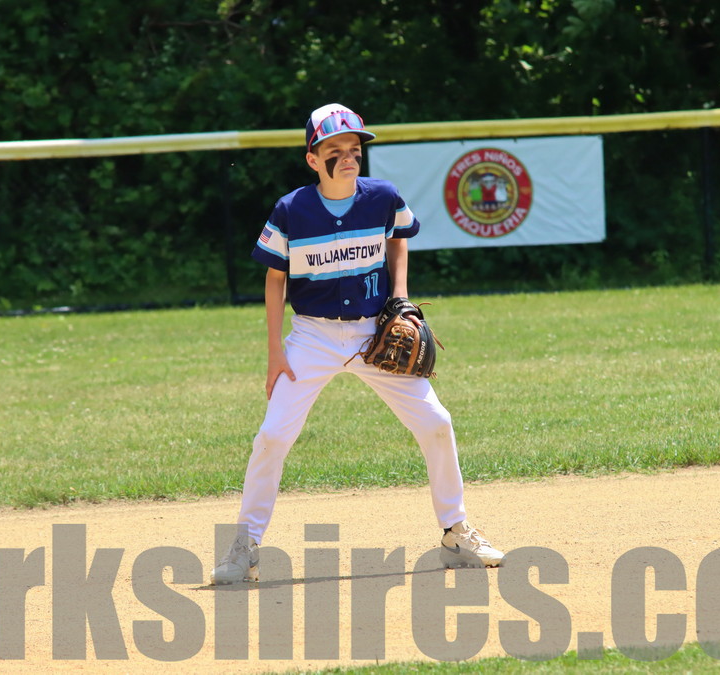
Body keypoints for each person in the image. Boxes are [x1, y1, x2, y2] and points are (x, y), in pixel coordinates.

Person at [210, 103, 505, 584]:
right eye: (336, 149)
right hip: (312, 336)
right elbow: (274, 278)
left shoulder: (381, 196)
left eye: (354, 148)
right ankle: (245, 546)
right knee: (274, 435)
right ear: (313, 159)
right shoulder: (292, 210)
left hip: (373, 332)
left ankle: (456, 532)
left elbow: (398, 237)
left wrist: (401, 296)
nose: (349, 156)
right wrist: (274, 351)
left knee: (436, 422)